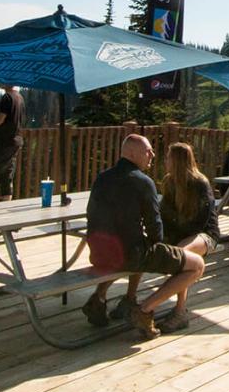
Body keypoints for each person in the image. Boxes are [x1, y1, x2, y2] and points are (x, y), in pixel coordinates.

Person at [83, 134, 205, 337]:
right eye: (148, 150)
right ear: (132, 153)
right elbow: (155, 230)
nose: (153, 154)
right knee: (196, 265)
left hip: (98, 253)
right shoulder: (143, 182)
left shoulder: (102, 177)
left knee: (137, 246)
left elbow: (92, 215)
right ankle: (144, 310)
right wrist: (164, 247)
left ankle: (99, 298)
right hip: (130, 256)